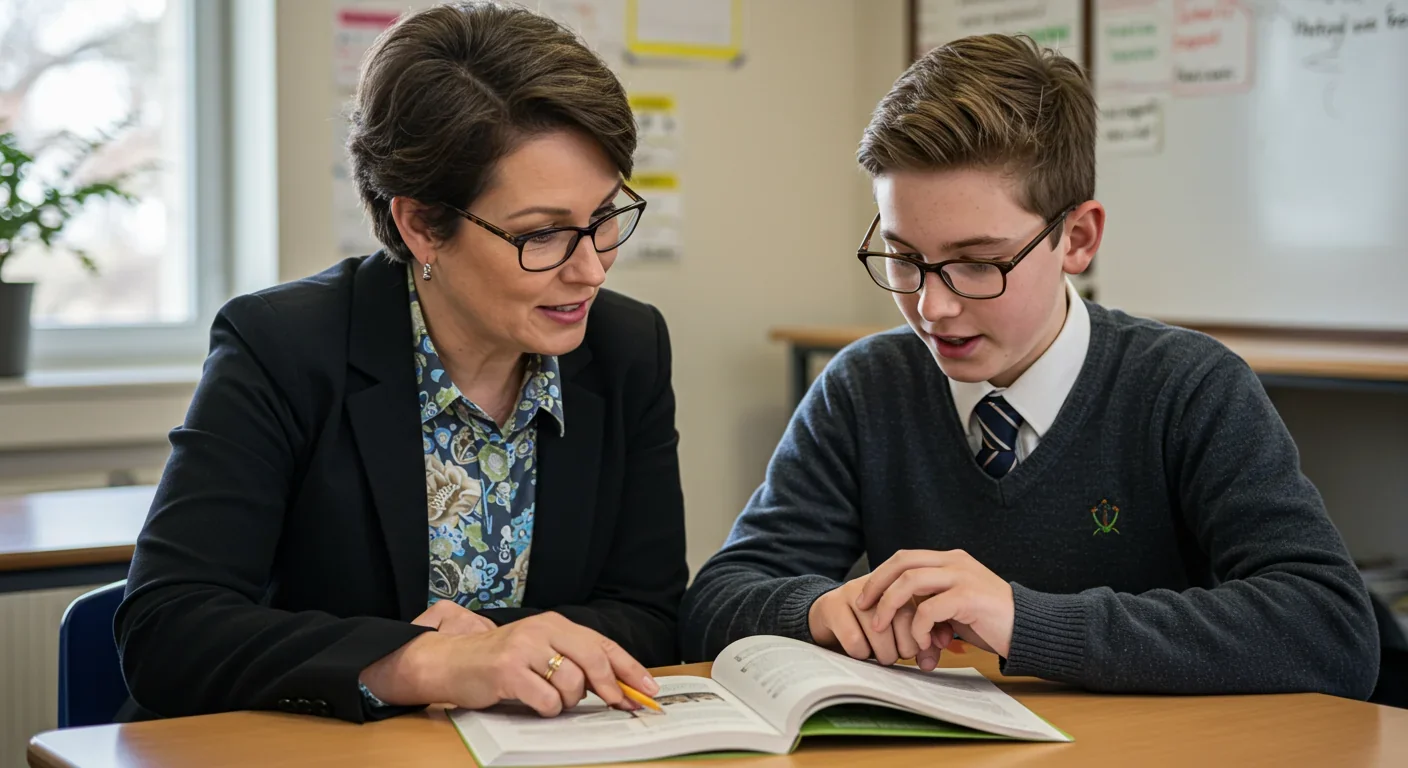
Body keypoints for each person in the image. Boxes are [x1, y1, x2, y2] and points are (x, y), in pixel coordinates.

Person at [680, 34, 1379, 699]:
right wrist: (821, 608)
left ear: (1077, 239)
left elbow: (1331, 630)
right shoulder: (866, 388)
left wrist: (1024, 621)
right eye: (903, 258)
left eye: (979, 263)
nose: (933, 307)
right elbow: (716, 600)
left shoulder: (1188, 388)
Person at [117, 2, 687, 723]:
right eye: (542, 235)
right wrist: (422, 662)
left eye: (606, 217)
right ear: (420, 224)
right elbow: (168, 629)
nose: (591, 269)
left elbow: (652, 611)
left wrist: (521, 648)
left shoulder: (627, 350)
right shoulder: (284, 347)